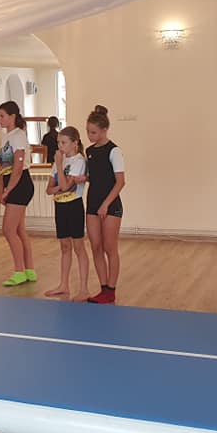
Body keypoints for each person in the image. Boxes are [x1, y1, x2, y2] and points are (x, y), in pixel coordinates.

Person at [84, 106, 126, 304]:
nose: (90, 135)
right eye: (88, 131)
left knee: (110, 247)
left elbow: (120, 182)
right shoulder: (89, 151)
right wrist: (82, 178)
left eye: (93, 132)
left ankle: (111, 289)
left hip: (110, 206)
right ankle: (103, 288)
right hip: (92, 204)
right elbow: (94, 177)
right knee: (96, 246)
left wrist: (106, 205)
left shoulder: (114, 151)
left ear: (104, 130)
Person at [44, 126, 89, 301]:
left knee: (78, 247)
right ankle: (63, 285)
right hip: (60, 206)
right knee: (64, 247)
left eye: (63, 143)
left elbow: (64, 186)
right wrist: (59, 187)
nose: (60, 146)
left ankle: (84, 289)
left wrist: (60, 169)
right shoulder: (59, 161)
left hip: (74, 206)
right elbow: (49, 189)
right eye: (58, 143)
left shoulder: (79, 161)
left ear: (74, 143)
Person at [0, 101, 36, 286]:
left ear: (12, 116)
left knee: (8, 229)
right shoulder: (6, 137)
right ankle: (29, 270)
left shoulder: (18, 136)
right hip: (11, 183)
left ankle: (19, 271)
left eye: (2, 116)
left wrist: (8, 190)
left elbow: (18, 168)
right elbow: (3, 166)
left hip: (20, 185)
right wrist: (1, 189)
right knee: (19, 230)